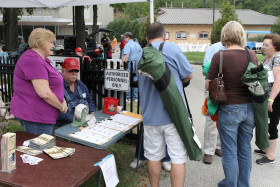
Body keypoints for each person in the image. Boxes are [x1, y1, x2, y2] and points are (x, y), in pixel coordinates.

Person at [136, 22, 193, 186]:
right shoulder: (172, 49)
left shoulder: (141, 54)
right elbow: (189, 75)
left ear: (147, 38)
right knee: (178, 158)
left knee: (153, 156)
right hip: (173, 115)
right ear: (165, 35)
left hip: (150, 116)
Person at [206, 21, 257, 187]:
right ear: (241, 35)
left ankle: (230, 184)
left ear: (224, 35)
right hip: (249, 108)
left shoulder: (219, 56)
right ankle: (243, 184)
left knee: (229, 151)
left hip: (228, 108)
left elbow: (208, 85)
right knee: (244, 149)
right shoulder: (251, 55)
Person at [11, 28, 68, 136]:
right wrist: (61, 107)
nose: (53, 46)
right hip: (37, 116)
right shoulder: (33, 60)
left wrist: (62, 99)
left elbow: (53, 85)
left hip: (41, 115)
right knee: (39, 150)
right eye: (51, 42)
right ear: (40, 42)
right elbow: (44, 93)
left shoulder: (42, 59)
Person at [255, 34, 280, 165]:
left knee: (272, 124)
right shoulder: (266, 58)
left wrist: (271, 100)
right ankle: (265, 149)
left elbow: (278, 81)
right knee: (265, 123)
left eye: (266, 45)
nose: (263, 47)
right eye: (263, 44)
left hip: (274, 98)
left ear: (275, 46)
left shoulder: (278, 58)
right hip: (264, 96)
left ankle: (270, 156)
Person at [202, 42, 225, 164]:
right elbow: (207, 69)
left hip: (230, 89)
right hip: (215, 87)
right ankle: (208, 151)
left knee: (224, 119)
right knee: (211, 119)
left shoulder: (238, 48)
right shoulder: (214, 48)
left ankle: (219, 146)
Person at [56, 58, 96, 127]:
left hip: (84, 122)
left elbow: (89, 100)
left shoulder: (81, 85)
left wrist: (91, 113)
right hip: (64, 126)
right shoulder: (57, 86)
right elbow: (56, 111)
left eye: (76, 71)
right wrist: (76, 120)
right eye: (71, 71)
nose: (74, 73)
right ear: (62, 71)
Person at [121, 32, 142, 102]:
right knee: (135, 79)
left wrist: (122, 65)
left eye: (124, 38)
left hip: (130, 63)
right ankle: (136, 98)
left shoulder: (127, 45)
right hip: (137, 63)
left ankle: (128, 97)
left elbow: (126, 56)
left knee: (128, 80)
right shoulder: (138, 45)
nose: (124, 40)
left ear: (127, 38)